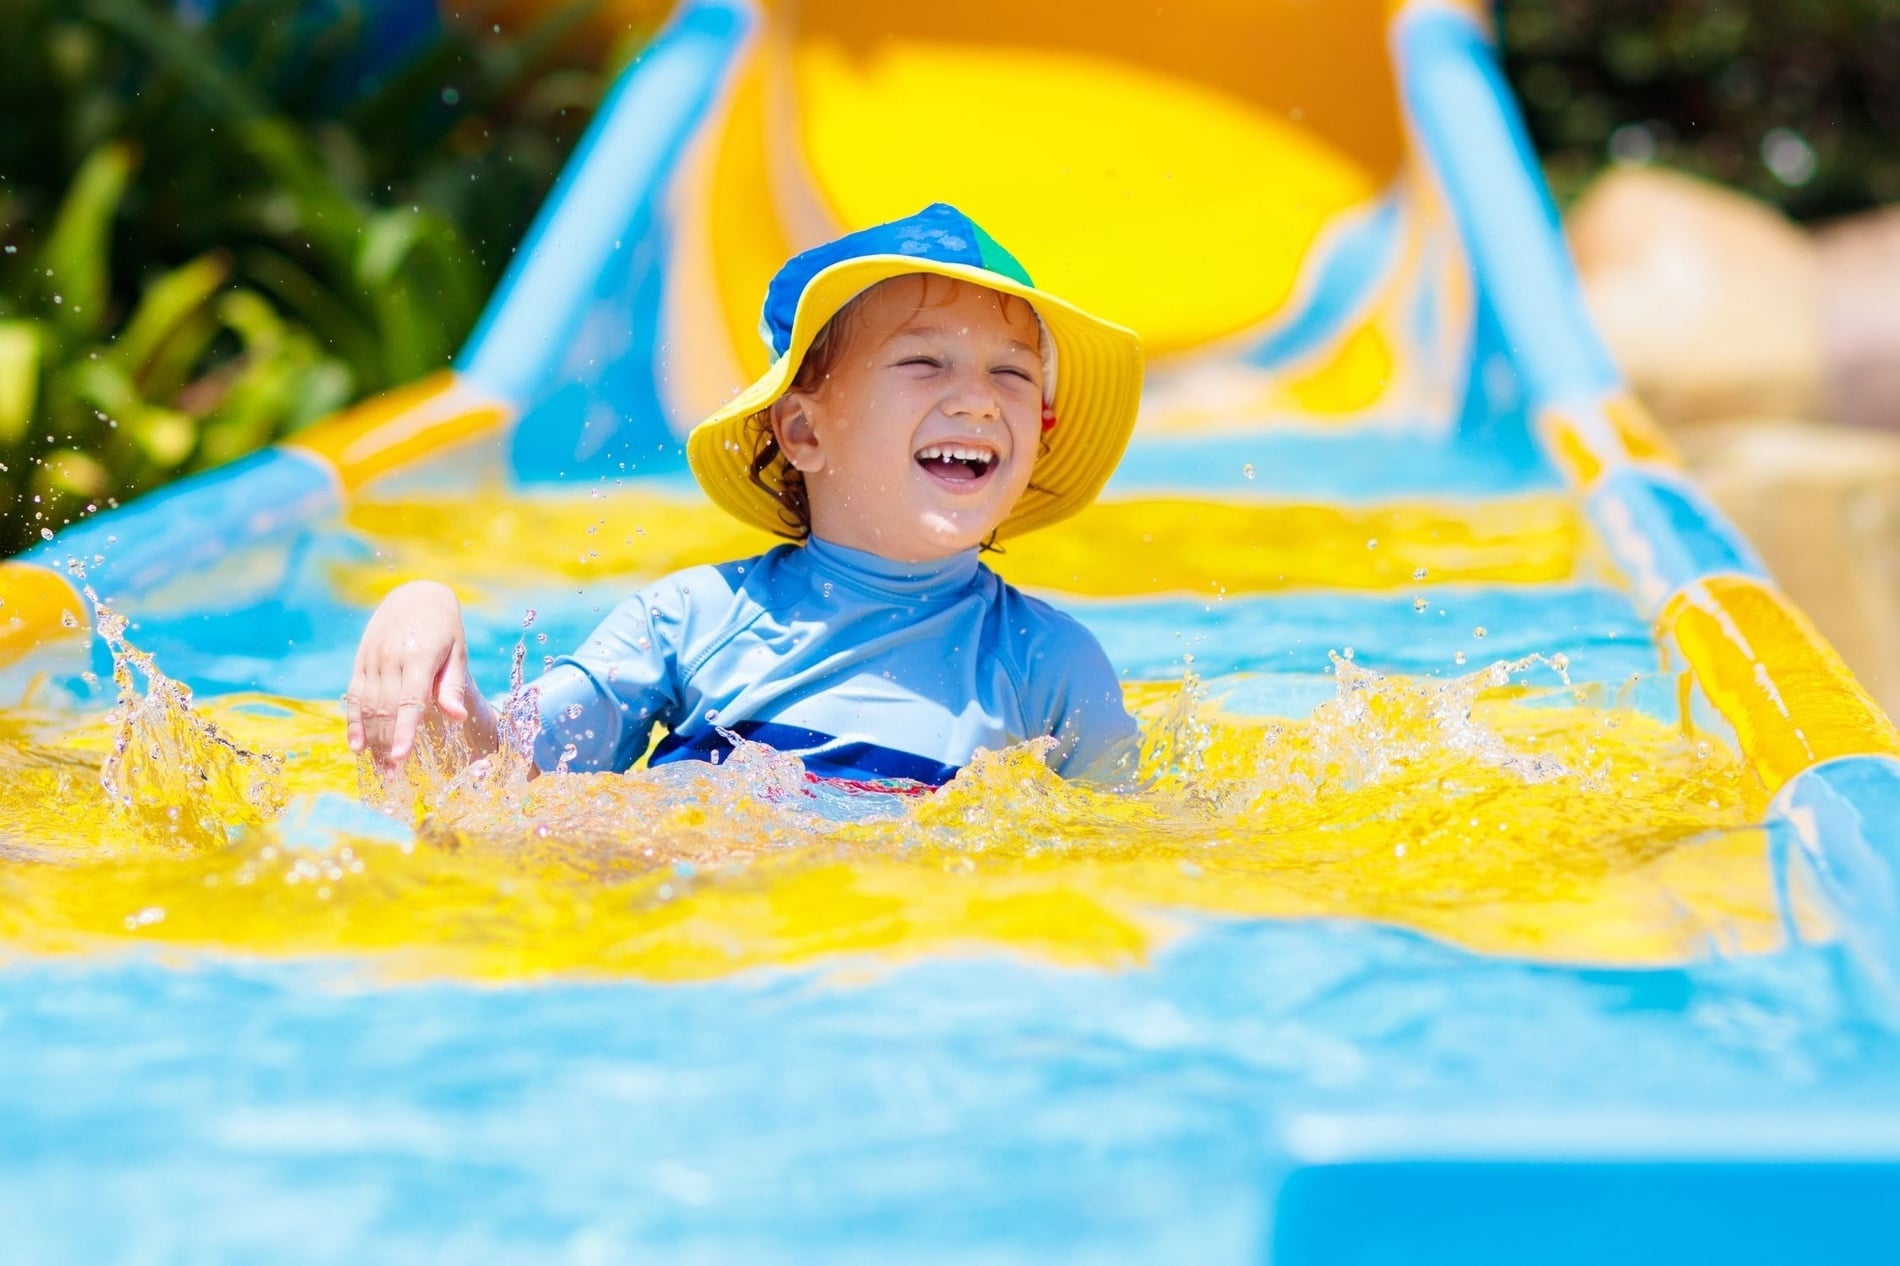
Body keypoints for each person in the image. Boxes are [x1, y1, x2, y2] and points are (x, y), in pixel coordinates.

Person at [346, 203, 1146, 789]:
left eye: (1010, 372)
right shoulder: (693, 622)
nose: (978, 400)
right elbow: (495, 784)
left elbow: (1126, 853)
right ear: (803, 432)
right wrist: (421, 618)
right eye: (924, 364)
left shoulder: (1048, 667)